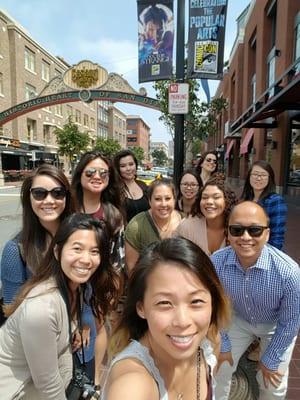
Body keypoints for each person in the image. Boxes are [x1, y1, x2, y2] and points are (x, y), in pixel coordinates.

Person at [0, 213, 118, 399]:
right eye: (77, 249)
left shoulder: (77, 287)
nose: (86, 259)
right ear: (57, 252)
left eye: (94, 251)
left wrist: (71, 328)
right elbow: (48, 384)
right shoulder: (41, 309)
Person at [102, 237, 231, 400]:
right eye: (164, 303)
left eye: (196, 301)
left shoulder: (210, 342)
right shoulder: (132, 385)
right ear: (141, 308)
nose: (183, 321)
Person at [211, 201, 300, 400]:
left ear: (267, 234)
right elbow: (215, 306)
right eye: (237, 229)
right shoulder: (216, 262)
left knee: (272, 382)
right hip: (237, 318)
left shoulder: (289, 272)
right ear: (228, 232)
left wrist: (271, 358)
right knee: (218, 369)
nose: (245, 237)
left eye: (255, 230)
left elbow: (291, 321)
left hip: (276, 325)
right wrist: (223, 345)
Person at [71, 151, 125, 382]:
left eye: (103, 172)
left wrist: (107, 300)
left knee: (98, 328)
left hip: (99, 287)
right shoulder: (66, 207)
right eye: (91, 171)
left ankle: (94, 382)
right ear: (80, 174)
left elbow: (117, 262)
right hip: (67, 285)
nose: (97, 176)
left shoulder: (112, 215)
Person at [1, 164, 74, 306]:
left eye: (57, 193)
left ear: (67, 197)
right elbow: (12, 311)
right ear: (29, 198)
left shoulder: (79, 236)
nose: (49, 200)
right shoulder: (15, 250)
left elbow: (88, 299)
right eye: (39, 193)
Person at [125, 179, 182, 273]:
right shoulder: (136, 226)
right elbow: (132, 268)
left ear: (174, 200)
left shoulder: (184, 222)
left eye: (168, 198)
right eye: (157, 199)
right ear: (150, 201)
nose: (163, 204)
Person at [176, 179, 237, 255]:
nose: (209, 202)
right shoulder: (186, 227)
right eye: (205, 197)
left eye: (216, 197)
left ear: (227, 200)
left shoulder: (237, 230)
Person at [241, 160, 287, 250]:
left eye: (263, 175)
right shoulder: (246, 200)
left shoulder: (275, 201)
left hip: (265, 252)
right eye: (255, 174)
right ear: (249, 177)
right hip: (245, 249)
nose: (258, 178)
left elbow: (277, 238)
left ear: (269, 178)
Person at [113, 150, 149, 222]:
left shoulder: (143, 186)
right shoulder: (113, 190)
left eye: (131, 164)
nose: (128, 169)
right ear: (118, 169)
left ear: (136, 165)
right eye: (123, 166)